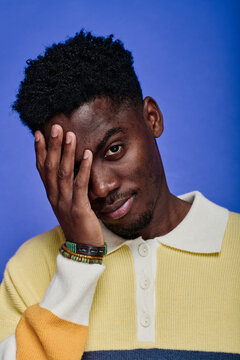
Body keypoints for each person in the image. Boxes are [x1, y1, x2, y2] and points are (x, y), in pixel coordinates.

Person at [0, 30, 239, 359]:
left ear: (151, 118)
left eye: (113, 149)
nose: (101, 188)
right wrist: (80, 257)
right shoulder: (30, 268)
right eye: (75, 170)